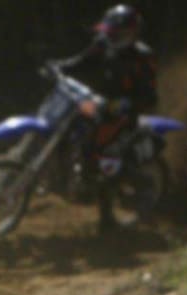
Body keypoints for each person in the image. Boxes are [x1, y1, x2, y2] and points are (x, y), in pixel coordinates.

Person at [52, 4, 157, 232]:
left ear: (130, 34)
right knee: (71, 131)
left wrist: (127, 103)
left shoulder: (142, 57)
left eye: (116, 34)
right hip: (100, 104)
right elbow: (81, 62)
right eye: (109, 32)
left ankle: (111, 213)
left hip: (125, 114)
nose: (110, 37)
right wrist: (59, 67)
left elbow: (150, 96)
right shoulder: (102, 45)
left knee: (100, 155)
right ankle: (68, 177)